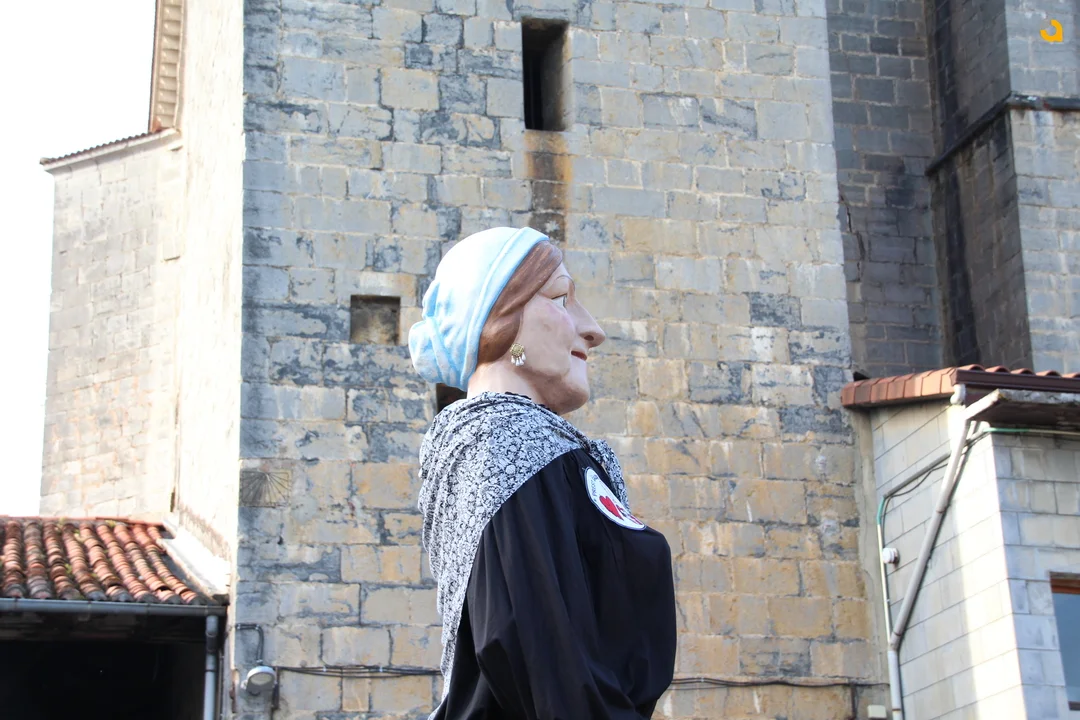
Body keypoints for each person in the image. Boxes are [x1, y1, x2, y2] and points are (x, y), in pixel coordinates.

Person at [408, 227, 677, 719]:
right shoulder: (502, 438)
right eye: (560, 298)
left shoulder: (545, 448)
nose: (593, 329)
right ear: (500, 324)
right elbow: (533, 648)